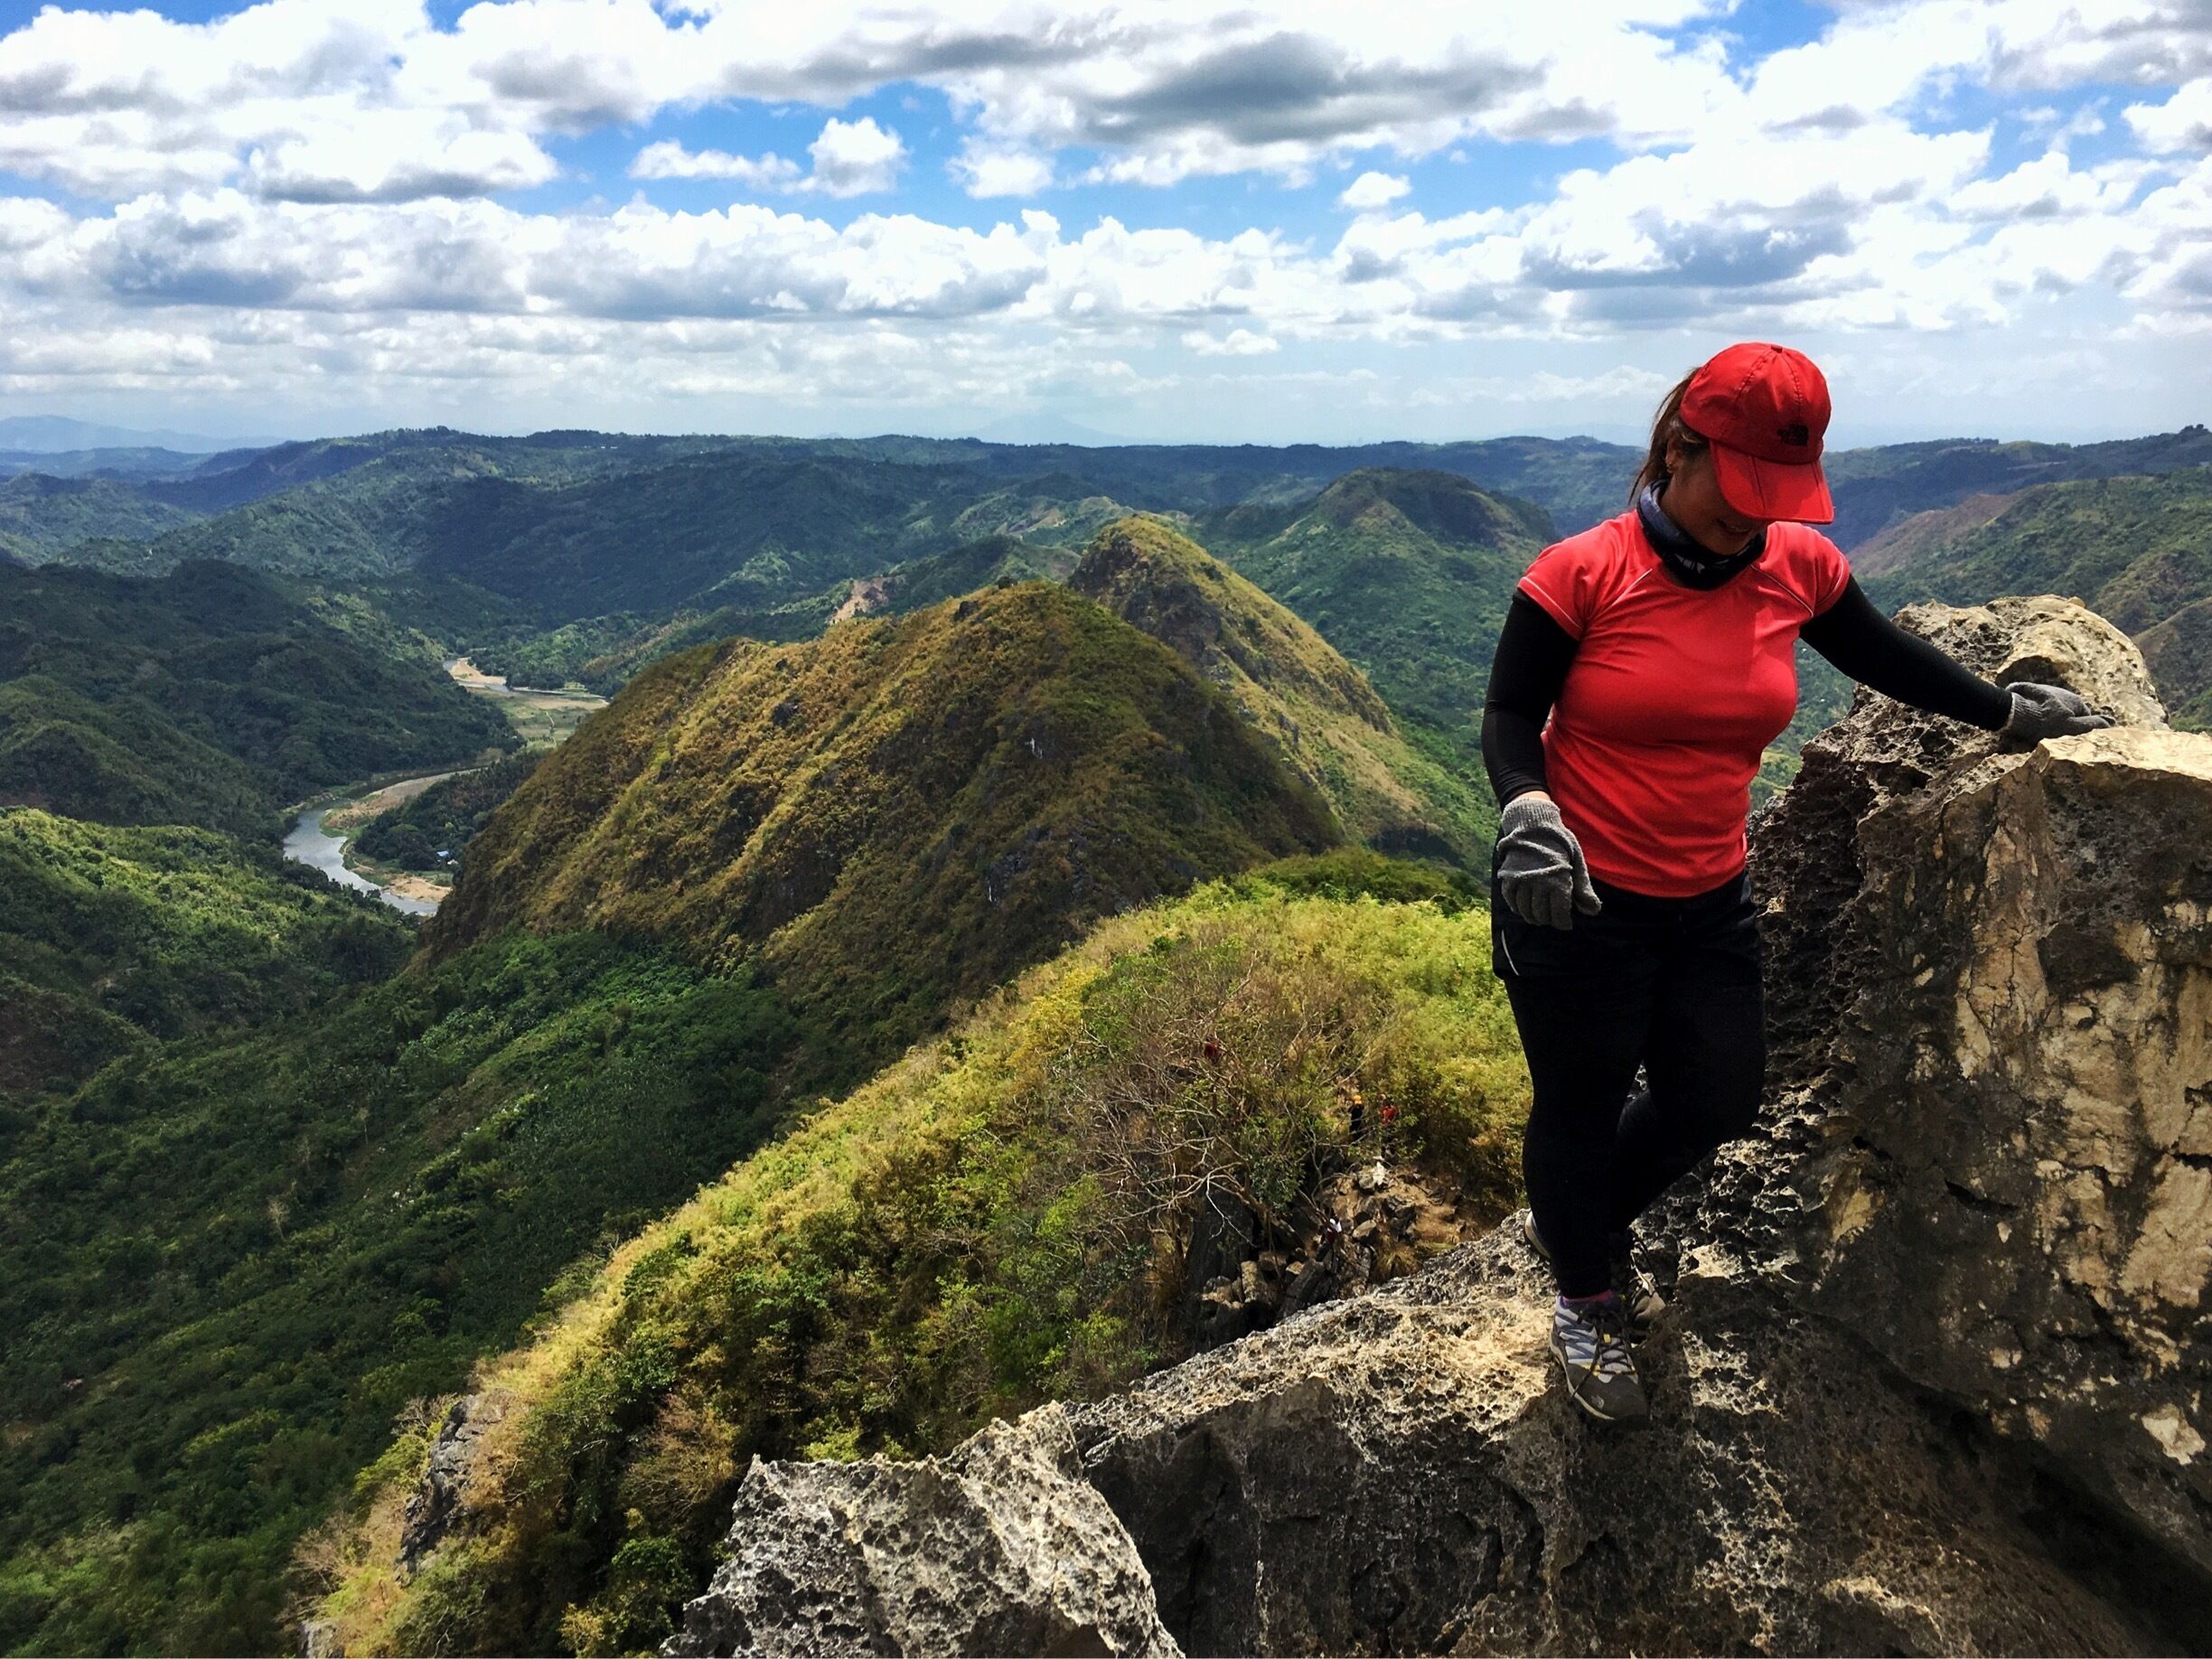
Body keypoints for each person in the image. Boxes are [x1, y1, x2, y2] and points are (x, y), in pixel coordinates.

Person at [1479, 342, 2116, 1427]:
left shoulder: (1795, 568)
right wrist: (1526, 809)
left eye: (1776, 499)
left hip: (1709, 895)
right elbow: (1507, 720)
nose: (1752, 521)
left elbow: (1883, 655)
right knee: (1580, 1108)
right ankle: (1588, 1300)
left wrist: (2003, 714)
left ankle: (1572, 1221)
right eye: (1738, 494)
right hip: (1577, 901)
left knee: (1717, 1098)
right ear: (1678, 447)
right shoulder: (1579, 573)